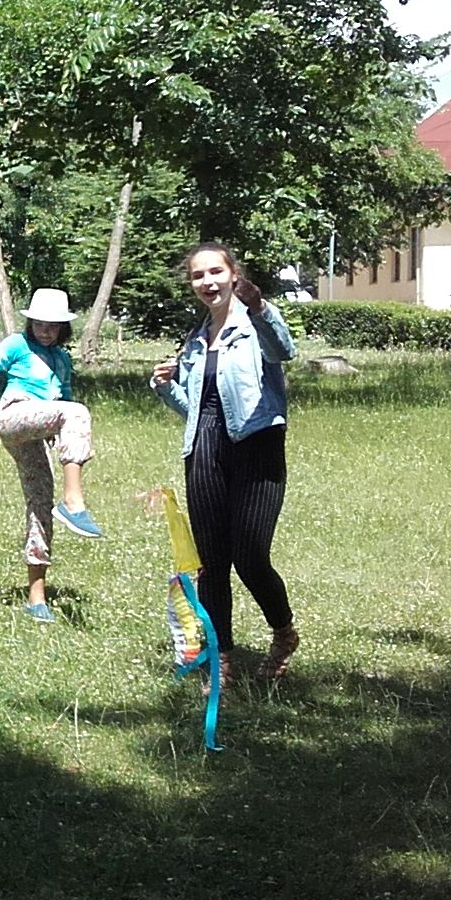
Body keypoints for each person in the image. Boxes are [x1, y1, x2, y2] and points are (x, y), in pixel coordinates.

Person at [151, 242, 300, 679]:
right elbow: (197, 409)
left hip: (257, 444)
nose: (207, 282)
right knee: (211, 563)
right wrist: (165, 387)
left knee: (251, 557)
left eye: (215, 271)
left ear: (234, 274)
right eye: (198, 275)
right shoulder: (196, 340)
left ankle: (284, 632)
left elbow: (283, 350)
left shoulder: (254, 323)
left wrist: (260, 307)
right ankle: (222, 659)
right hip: (204, 448)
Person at [0, 288, 104, 624]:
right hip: (13, 417)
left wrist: (58, 430)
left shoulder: (63, 360)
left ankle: (36, 600)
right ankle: (73, 502)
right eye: (39, 323)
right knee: (78, 412)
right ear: (30, 322)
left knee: (40, 502)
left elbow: (64, 399)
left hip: (37, 431)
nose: (45, 330)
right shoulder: (17, 345)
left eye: (53, 325)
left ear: (63, 328)